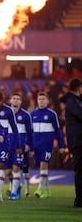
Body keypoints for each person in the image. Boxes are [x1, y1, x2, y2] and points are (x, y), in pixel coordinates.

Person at [31, 92, 64, 198]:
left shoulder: (51, 114)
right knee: (39, 166)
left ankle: (40, 189)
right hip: (36, 145)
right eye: (39, 99)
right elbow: (29, 132)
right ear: (37, 100)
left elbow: (58, 131)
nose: (41, 101)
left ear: (47, 101)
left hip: (47, 144)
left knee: (43, 164)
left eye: (43, 99)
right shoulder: (32, 114)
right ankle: (48, 190)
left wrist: (61, 145)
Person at [0, 90, 20, 203]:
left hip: (4, 143)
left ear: (2, 101)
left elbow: (15, 128)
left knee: (0, 166)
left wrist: (19, 145)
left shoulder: (8, 111)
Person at [60, 78, 82, 207]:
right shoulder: (72, 102)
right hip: (78, 141)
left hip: (78, 140)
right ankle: (79, 199)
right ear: (78, 88)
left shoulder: (75, 101)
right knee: (79, 170)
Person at [8, 92, 33, 199]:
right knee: (7, 171)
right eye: (14, 98)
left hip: (20, 146)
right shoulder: (5, 113)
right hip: (7, 145)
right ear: (10, 100)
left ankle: (14, 193)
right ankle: (17, 186)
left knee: (16, 168)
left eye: (18, 99)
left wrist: (28, 144)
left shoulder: (26, 115)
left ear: (21, 101)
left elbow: (30, 132)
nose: (16, 100)